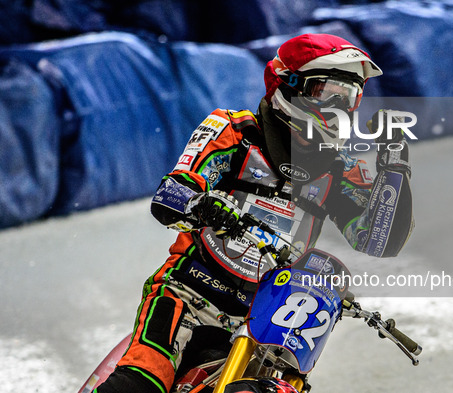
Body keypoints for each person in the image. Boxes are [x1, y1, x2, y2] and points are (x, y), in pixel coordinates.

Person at [95, 33, 414, 393]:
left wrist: (395, 168)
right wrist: (203, 203)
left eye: (350, 97)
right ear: (289, 84)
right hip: (187, 295)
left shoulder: (337, 169)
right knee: (138, 385)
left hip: (263, 320)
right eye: (329, 92)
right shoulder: (232, 131)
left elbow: (376, 241)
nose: (339, 108)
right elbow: (171, 193)